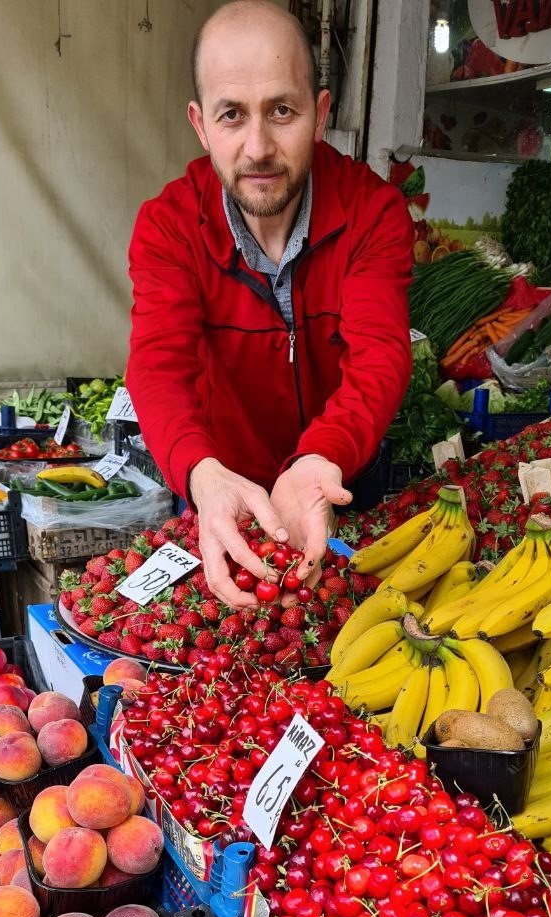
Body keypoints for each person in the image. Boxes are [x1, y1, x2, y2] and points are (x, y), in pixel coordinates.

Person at [126, 0, 413, 607]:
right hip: (217, 481)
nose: (258, 147)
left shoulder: (373, 213)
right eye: (232, 116)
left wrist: (322, 457)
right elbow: (157, 367)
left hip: (335, 477)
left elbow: (380, 356)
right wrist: (200, 474)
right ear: (201, 125)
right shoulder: (168, 227)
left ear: (320, 114)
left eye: (282, 110)